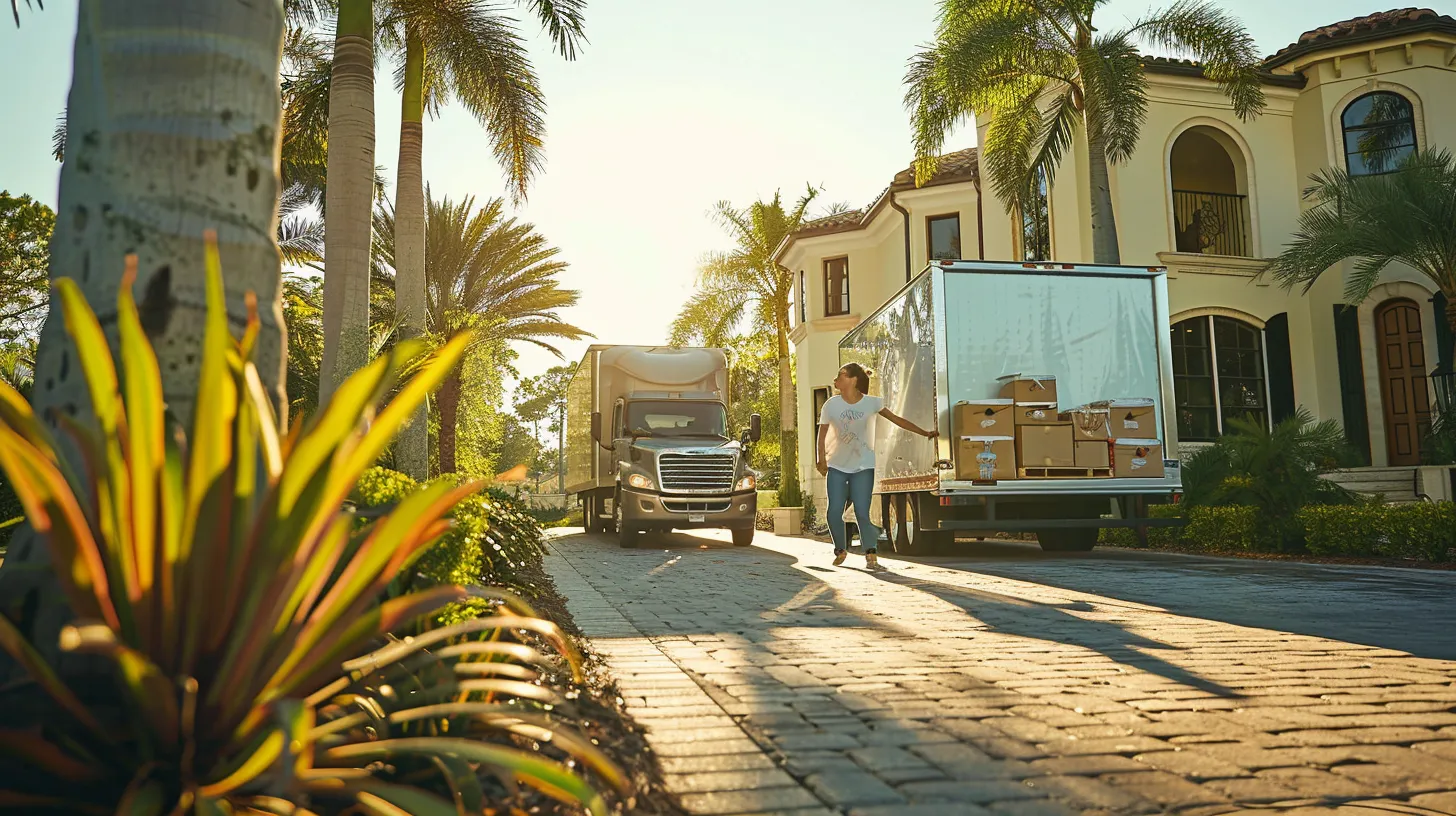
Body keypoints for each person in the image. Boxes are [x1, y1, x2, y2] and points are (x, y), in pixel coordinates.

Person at [816, 363, 937, 569]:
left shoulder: (872, 403)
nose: (836, 380)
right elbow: (822, 435)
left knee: (862, 511)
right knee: (833, 511)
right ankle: (840, 549)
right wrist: (821, 460)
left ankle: (870, 552)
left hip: (863, 466)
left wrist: (925, 433)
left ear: (853, 380)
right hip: (836, 466)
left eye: (841, 376)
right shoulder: (831, 405)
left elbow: (898, 420)